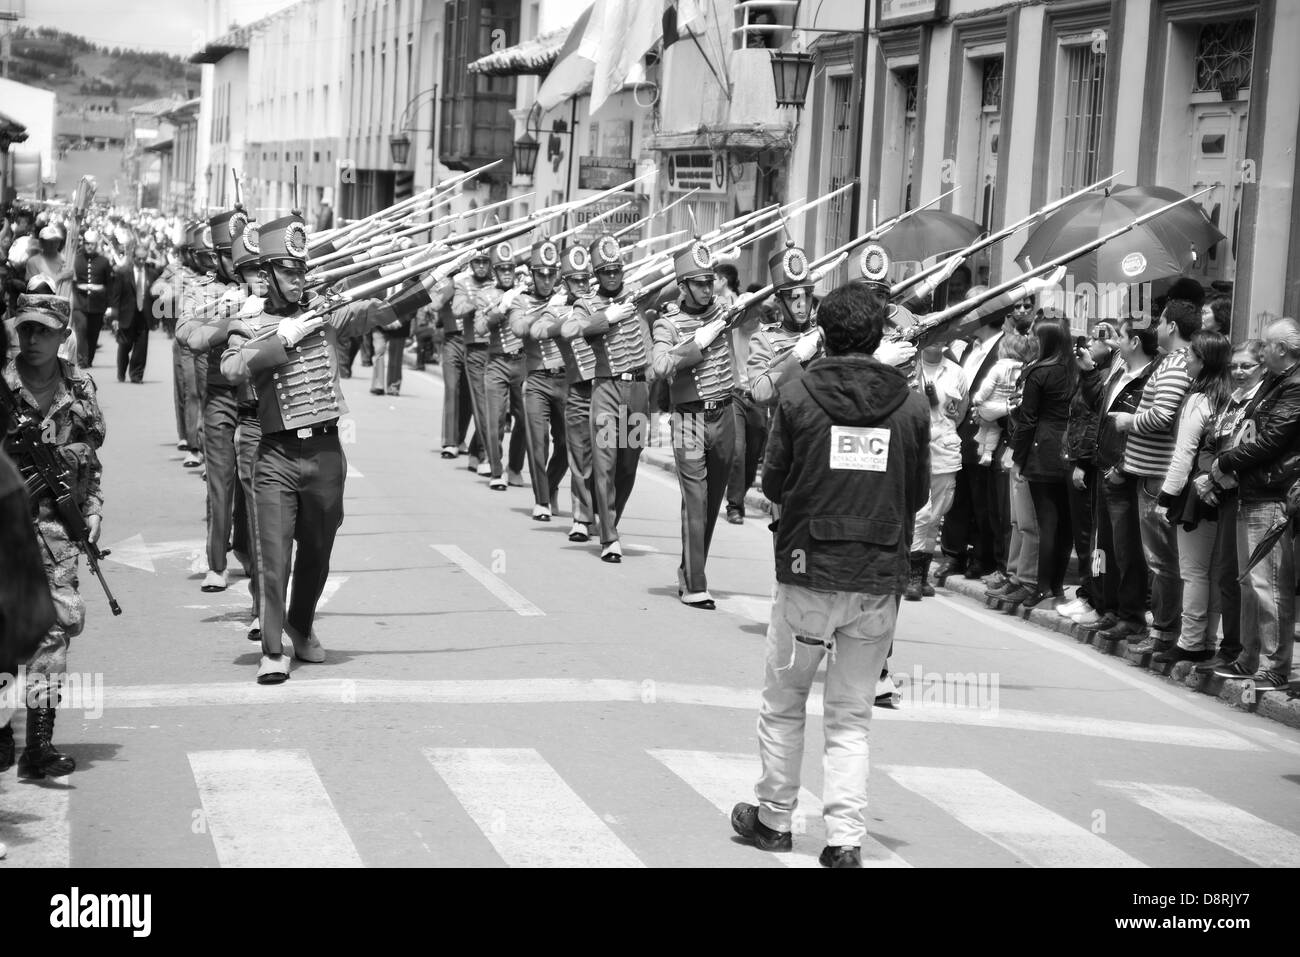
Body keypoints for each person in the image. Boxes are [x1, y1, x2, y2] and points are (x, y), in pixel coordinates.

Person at [731, 282, 930, 869]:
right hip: (876, 578)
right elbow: (917, 494)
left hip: (806, 572)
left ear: (823, 331)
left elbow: (771, 483)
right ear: (878, 336)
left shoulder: (796, 396)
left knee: (785, 702)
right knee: (851, 717)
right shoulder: (912, 405)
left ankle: (774, 820)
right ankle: (845, 840)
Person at [221, 213, 426, 684]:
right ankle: (272, 651)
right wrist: (282, 339)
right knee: (275, 556)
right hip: (274, 454)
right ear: (267, 274)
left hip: (326, 452)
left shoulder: (326, 313)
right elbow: (233, 369)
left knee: (318, 550)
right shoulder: (250, 322)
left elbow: (384, 313)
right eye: (287, 272)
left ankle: (302, 623)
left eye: (300, 272)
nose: (297, 280)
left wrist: (433, 281)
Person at [1, 294, 106, 777]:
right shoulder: (0, 384)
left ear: (64, 335)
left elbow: (90, 456)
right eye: (26, 329)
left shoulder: (80, 386)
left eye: (44, 330)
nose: (33, 338)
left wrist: (93, 508)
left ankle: (39, 744)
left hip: (55, 528)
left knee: (54, 627)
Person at [651, 238, 743, 609]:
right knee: (695, 499)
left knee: (713, 500)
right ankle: (695, 583)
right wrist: (697, 344)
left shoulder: (725, 308)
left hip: (725, 414)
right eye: (699, 283)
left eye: (710, 281)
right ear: (683, 286)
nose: (707, 289)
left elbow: (758, 310)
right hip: (688, 419)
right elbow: (660, 365)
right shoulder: (668, 323)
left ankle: (690, 567)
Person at [1210, 318, 1300, 688]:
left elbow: (1272, 440)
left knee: (1270, 586)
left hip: (1271, 493)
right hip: (1252, 489)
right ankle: (1249, 658)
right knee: (1251, 583)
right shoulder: (1277, 383)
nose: (1260, 352)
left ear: (1280, 349)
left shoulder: (1293, 386)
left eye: (1265, 346)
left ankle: (1275, 667)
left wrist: (1226, 461)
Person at [1110, 297, 1198, 654]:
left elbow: (1163, 417)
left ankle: (1163, 633)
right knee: (1156, 560)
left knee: (1163, 561)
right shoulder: (1170, 362)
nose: (1156, 328)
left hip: (1156, 476)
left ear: (1172, 327)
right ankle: (1161, 630)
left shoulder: (1176, 365)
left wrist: (1128, 420)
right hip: (1145, 472)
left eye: (1160, 322)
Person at [562, 234, 655, 559]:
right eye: (605, 271)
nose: (612, 276)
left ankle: (609, 515)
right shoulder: (585, 303)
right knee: (604, 462)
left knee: (628, 465)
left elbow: (673, 286)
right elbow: (569, 330)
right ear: (596, 275)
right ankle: (608, 538)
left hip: (638, 391)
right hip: (605, 389)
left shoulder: (638, 296)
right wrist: (606, 318)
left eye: (616, 270)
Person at [1155, 330, 1233, 664]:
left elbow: (1183, 455)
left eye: (1190, 356)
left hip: (1196, 493)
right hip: (1222, 491)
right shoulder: (1229, 396)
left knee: (1194, 571)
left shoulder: (1198, 399)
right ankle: (1206, 641)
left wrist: (1164, 497)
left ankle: (1190, 642)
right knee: (1213, 571)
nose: (1184, 360)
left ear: (1203, 361)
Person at [1188, 339, 1265, 674]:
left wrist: (1227, 473)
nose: (1239, 372)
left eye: (1246, 366)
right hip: (1223, 495)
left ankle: (1242, 652)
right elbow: (1209, 444)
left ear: (1263, 366)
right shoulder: (1230, 401)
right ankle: (1230, 646)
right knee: (1225, 575)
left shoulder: (1264, 401)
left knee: (1244, 580)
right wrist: (1209, 475)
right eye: (1235, 366)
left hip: (1250, 496)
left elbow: (1262, 448)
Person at [1089, 318, 1159, 641]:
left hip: (1125, 473)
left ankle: (1132, 616)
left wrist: (1121, 467)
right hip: (1103, 466)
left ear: (1135, 343)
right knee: (1106, 547)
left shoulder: (1149, 379)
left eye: (1123, 335)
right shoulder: (1118, 372)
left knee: (1128, 549)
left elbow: (1139, 429)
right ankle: (1110, 608)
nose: (1116, 339)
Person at [536, 245, 601, 542]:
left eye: (586, 279)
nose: (583, 285)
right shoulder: (557, 308)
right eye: (576, 280)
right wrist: (572, 320)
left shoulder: (599, 304)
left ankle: (599, 512)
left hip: (607, 388)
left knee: (610, 458)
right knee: (579, 456)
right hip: (576, 388)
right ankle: (580, 518)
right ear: (565, 283)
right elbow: (540, 330)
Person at [1011, 320, 1077, 608]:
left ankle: (1042, 587)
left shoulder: (1039, 371)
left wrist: (1017, 456)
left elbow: (1027, 420)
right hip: (1070, 448)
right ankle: (1056, 585)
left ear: (1047, 340)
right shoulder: (1075, 370)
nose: (1032, 342)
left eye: (1036, 337)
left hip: (1042, 449)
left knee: (1048, 522)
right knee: (1064, 525)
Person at [509, 240, 569, 522]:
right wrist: (546, 310)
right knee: (538, 440)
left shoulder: (567, 297)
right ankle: (542, 499)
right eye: (541, 274)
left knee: (569, 445)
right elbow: (521, 328)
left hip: (568, 380)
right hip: (537, 380)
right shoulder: (522, 300)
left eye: (551, 274)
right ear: (531, 275)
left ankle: (552, 483)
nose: (547, 280)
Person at [907, 339, 968, 600]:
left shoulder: (956, 372)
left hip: (944, 449)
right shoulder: (908, 365)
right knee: (920, 513)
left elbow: (960, 413)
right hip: (912, 446)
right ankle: (910, 575)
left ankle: (921, 577)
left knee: (935, 515)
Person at [477, 242, 528, 488]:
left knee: (526, 419)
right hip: (497, 361)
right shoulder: (485, 295)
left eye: (510, 268)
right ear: (494, 272)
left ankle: (515, 467)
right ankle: (496, 471)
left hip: (523, 361)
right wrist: (501, 308)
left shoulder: (525, 293)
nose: (507, 272)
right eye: (502, 269)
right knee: (495, 418)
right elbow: (479, 327)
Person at [450, 248, 500, 480]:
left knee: (498, 410)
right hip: (476, 349)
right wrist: (478, 299)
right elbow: (457, 309)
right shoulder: (463, 284)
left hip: (499, 351)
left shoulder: (499, 283)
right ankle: (484, 455)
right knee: (482, 406)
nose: (481, 266)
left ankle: (475, 449)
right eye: (477, 262)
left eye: (485, 262)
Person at [107, 226, 155, 384]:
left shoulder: (151, 273)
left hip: (144, 315)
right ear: (133, 257)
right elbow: (116, 296)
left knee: (141, 349)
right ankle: (121, 371)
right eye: (139, 259)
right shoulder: (123, 272)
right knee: (124, 346)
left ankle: (136, 375)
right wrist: (114, 317)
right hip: (126, 315)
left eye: (144, 259)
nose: (141, 262)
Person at [71, 228, 112, 368]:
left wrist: (108, 302)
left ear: (96, 245)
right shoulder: (76, 260)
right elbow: (72, 280)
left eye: (92, 244)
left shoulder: (104, 262)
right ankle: (82, 360)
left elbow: (109, 283)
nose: (89, 246)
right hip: (79, 301)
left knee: (93, 333)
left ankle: (89, 358)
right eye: (87, 243)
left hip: (97, 303)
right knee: (81, 329)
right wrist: (79, 287)